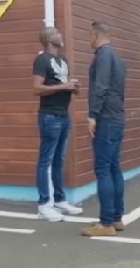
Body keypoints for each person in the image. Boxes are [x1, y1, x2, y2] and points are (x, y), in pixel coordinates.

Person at [31, 25, 83, 222]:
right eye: (56, 33)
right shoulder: (41, 60)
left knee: (59, 160)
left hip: (63, 116)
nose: (61, 35)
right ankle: (44, 205)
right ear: (48, 39)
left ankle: (60, 200)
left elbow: (63, 85)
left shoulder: (63, 60)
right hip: (49, 116)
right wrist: (64, 86)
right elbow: (36, 89)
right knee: (45, 161)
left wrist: (73, 88)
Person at [82, 20, 128, 237]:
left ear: (95, 34)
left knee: (102, 168)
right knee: (114, 167)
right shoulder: (117, 57)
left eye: (89, 35)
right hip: (117, 117)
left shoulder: (103, 56)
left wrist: (92, 115)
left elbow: (100, 87)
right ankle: (116, 218)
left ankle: (106, 223)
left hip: (106, 119)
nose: (88, 39)